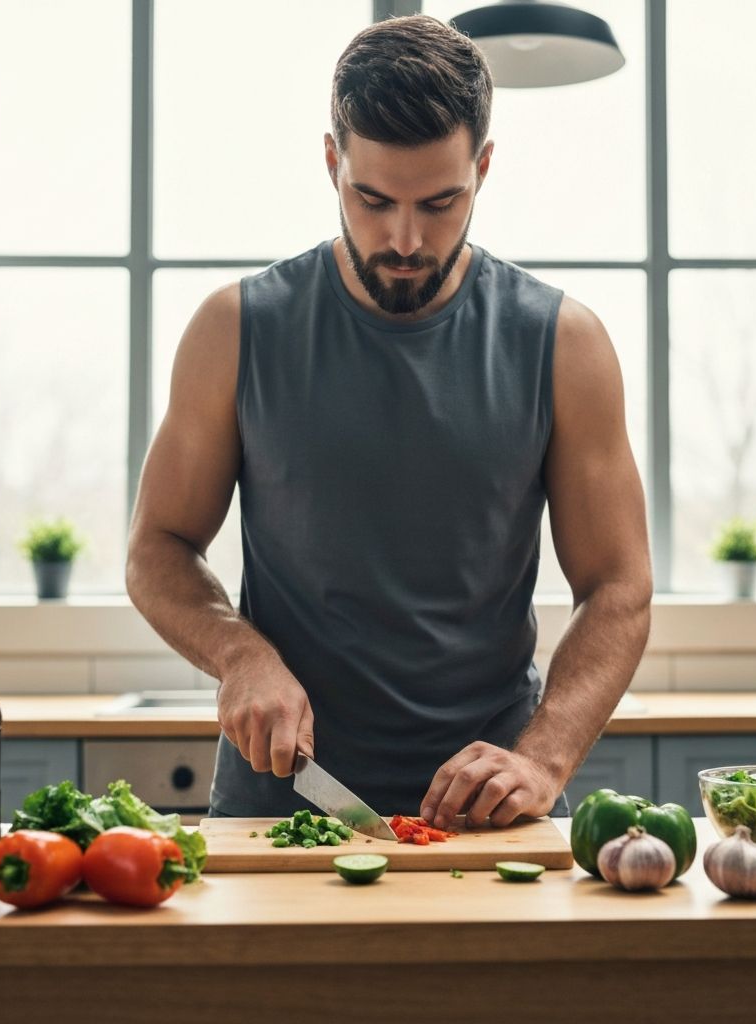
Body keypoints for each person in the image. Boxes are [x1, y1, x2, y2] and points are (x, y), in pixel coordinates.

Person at [126, 14, 652, 829]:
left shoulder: (564, 344)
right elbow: (156, 547)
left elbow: (619, 585)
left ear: (483, 167)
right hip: (283, 807)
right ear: (332, 161)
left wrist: (545, 757)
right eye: (371, 199)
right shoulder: (234, 329)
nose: (405, 239)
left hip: (493, 812)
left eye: (442, 202)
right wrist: (239, 655)